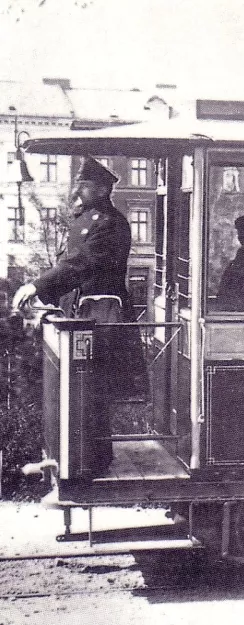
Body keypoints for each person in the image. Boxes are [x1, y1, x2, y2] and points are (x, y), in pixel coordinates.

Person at [12, 156, 133, 477]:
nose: (79, 190)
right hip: (81, 312)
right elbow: (72, 268)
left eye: (87, 185)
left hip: (102, 314)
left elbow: (81, 265)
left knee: (92, 384)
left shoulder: (110, 223)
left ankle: (91, 460)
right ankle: (80, 457)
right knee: (81, 383)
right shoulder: (87, 219)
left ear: (104, 188)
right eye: (80, 184)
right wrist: (49, 301)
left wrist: (37, 286)